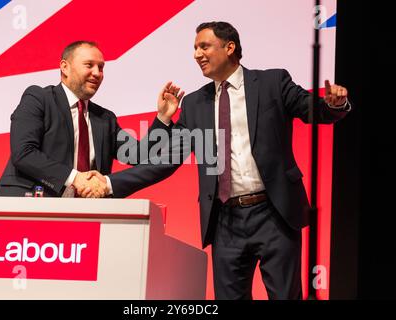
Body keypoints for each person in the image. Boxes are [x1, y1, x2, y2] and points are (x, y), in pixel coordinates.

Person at [90, 21, 352, 300]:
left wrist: (334, 105)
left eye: (204, 46)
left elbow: (313, 111)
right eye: (194, 48)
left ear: (229, 48)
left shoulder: (272, 82)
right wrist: (110, 183)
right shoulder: (194, 104)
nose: (196, 54)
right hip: (226, 220)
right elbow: (163, 160)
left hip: (274, 213)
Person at [0, 40, 183, 198]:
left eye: (101, 67)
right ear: (64, 67)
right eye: (89, 65)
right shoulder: (39, 98)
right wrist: (75, 178)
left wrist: (163, 117)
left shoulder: (104, 118)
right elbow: (24, 153)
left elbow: (139, 156)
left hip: (83, 218)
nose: (97, 73)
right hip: (26, 209)